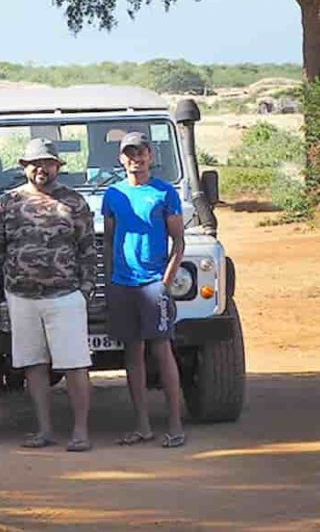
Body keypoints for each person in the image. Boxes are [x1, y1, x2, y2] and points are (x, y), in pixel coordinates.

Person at [0, 138, 96, 452]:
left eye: (47, 163)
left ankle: (81, 432)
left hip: (65, 296)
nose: (41, 169)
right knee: (34, 365)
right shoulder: (9, 202)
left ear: (57, 166)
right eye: (34, 163)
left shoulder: (75, 202)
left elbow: (89, 251)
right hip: (21, 297)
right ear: (24, 167)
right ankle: (44, 430)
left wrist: (84, 291)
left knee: (74, 365)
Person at [104, 131, 187, 449]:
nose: (134, 158)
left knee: (162, 350)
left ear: (150, 155)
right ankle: (142, 425)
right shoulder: (114, 195)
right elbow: (110, 241)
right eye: (129, 153)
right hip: (123, 284)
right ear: (121, 159)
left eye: (140, 152)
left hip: (154, 284)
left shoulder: (165, 192)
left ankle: (175, 425)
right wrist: (111, 281)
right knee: (132, 353)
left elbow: (178, 242)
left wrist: (165, 283)